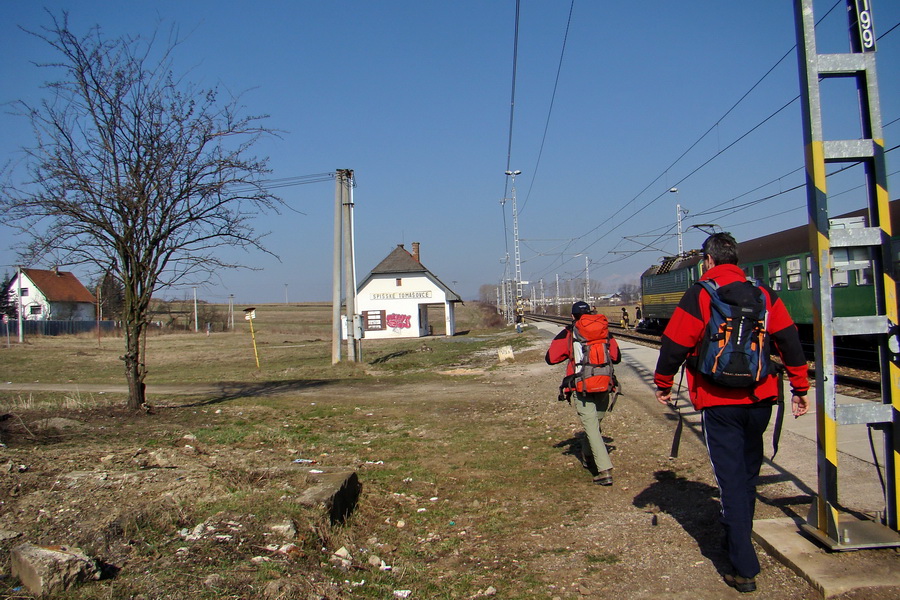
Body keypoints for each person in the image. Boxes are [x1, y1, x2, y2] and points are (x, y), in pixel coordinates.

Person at [653, 232, 809, 593]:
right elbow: (789, 342)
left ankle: (743, 567)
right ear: (735, 260)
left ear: (707, 261)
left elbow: (674, 344)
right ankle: (734, 537)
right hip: (760, 400)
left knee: (731, 483)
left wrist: (663, 383)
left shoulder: (700, 294)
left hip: (718, 402)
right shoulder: (765, 295)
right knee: (747, 475)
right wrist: (800, 388)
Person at [546, 301, 621, 486]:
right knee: (594, 425)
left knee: (591, 426)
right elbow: (616, 357)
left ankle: (604, 470)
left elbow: (550, 358)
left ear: (572, 316)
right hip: (605, 382)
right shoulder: (604, 330)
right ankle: (588, 455)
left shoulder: (569, 333)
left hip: (582, 385)